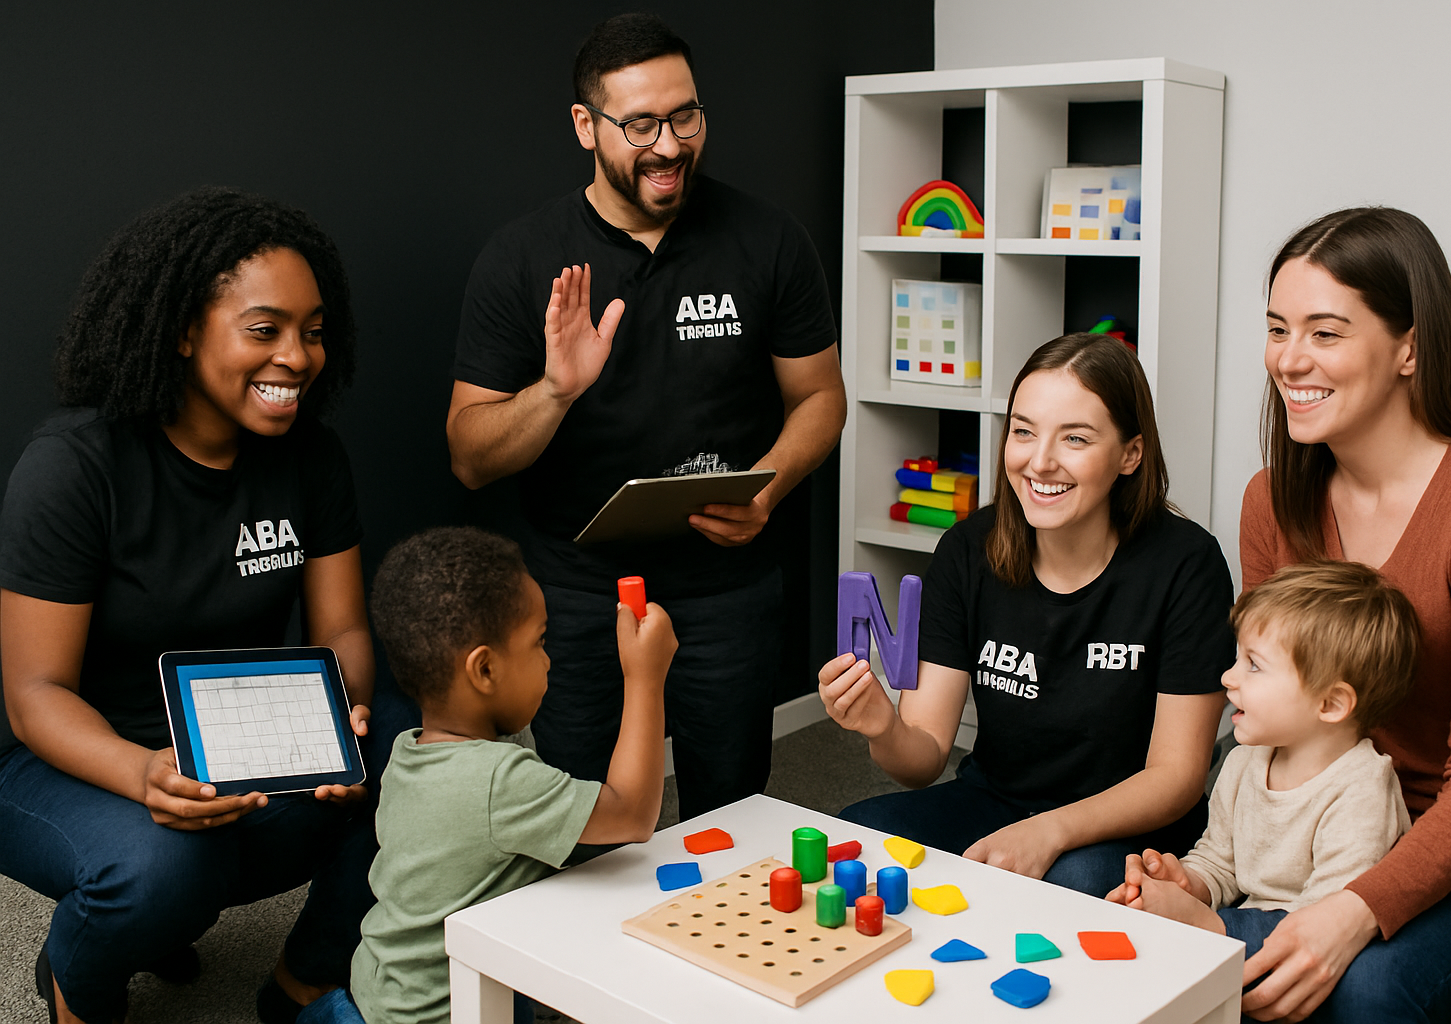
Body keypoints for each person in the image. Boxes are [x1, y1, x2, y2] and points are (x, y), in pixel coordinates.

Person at [444, 13, 845, 820]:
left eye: (686, 116)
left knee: (730, 811)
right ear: (586, 127)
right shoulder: (522, 257)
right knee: (585, 816)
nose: (669, 145)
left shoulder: (769, 241)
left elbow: (821, 397)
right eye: (640, 125)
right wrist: (555, 390)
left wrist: (768, 489)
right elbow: (470, 455)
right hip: (577, 586)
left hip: (727, 582)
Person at [0, 187, 381, 1024]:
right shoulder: (74, 467)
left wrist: (343, 714)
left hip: (229, 733)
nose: (298, 357)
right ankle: (78, 985)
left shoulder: (312, 458)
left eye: (313, 332)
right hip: (58, 757)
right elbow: (35, 697)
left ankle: (304, 980)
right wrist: (145, 774)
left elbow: (342, 628)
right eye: (264, 330)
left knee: (420, 752)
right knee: (162, 867)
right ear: (181, 331)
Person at [1238, 206, 1451, 1022]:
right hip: (1324, 818)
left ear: (1409, 347)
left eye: (1325, 333)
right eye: (1276, 328)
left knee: (1363, 986)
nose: (1289, 360)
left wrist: (1352, 910)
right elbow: (1270, 713)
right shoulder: (1273, 501)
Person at [820, 332, 1233, 898]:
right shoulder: (967, 550)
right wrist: (882, 725)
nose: (1040, 461)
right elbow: (923, 759)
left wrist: (1049, 832)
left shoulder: (1187, 564)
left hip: (1134, 824)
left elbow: (1177, 777)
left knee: (1072, 883)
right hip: (995, 802)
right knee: (859, 838)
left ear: (1130, 454)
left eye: (1076, 438)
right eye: (1023, 431)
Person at [344, 527, 675, 1024]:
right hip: (444, 1013)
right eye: (540, 642)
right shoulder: (497, 780)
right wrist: (644, 678)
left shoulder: (410, 748)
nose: (548, 659)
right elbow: (630, 813)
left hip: (380, 982)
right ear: (484, 671)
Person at [1108, 561, 1416, 958]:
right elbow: (1222, 863)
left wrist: (1212, 925)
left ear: (1331, 703)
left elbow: (1327, 921)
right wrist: (1184, 881)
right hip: (1250, 929)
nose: (1228, 677)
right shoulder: (1244, 761)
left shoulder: (1362, 793)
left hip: (1323, 952)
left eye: (1253, 665)